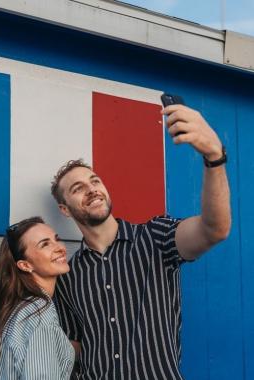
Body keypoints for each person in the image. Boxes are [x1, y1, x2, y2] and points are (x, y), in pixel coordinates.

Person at [51, 104, 231, 379]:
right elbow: (72, 350)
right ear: (65, 209)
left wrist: (214, 157)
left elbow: (214, 230)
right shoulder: (67, 274)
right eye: (78, 188)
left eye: (95, 181)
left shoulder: (155, 237)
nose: (92, 190)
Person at [0, 216, 75, 379]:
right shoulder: (39, 313)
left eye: (56, 239)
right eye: (45, 244)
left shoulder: (24, 309)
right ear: (25, 265)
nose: (59, 247)